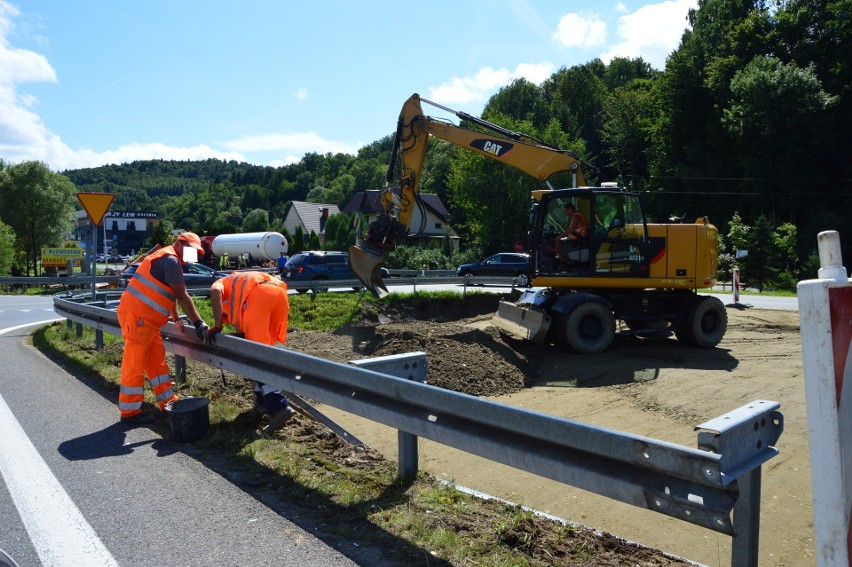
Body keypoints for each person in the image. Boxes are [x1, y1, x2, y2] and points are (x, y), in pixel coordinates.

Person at [116, 232, 210, 424]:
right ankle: (130, 411)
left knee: (156, 362)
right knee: (134, 363)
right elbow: (182, 296)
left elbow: (169, 294)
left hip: (147, 321)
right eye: (192, 250)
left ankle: (167, 401)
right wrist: (199, 323)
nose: (193, 256)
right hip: (138, 318)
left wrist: (176, 319)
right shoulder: (171, 261)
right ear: (179, 243)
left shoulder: (170, 258)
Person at [207, 271, 296, 434]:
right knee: (263, 355)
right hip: (280, 294)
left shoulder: (220, 283)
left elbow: (214, 292)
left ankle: (279, 407)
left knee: (257, 359)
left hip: (260, 298)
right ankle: (261, 404)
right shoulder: (241, 281)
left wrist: (218, 324)